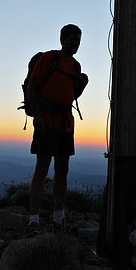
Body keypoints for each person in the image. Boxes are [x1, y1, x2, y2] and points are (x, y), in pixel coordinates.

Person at [26, 24, 88, 230]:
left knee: (63, 169)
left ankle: (58, 217)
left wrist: (81, 86)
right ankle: (33, 219)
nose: (76, 44)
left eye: (78, 40)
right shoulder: (49, 59)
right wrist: (37, 116)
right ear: (62, 40)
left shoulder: (76, 66)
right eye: (72, 40)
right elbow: (34, 86)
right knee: (42, 169)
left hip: (65, 123)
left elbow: (71, 96)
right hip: (47, 120)